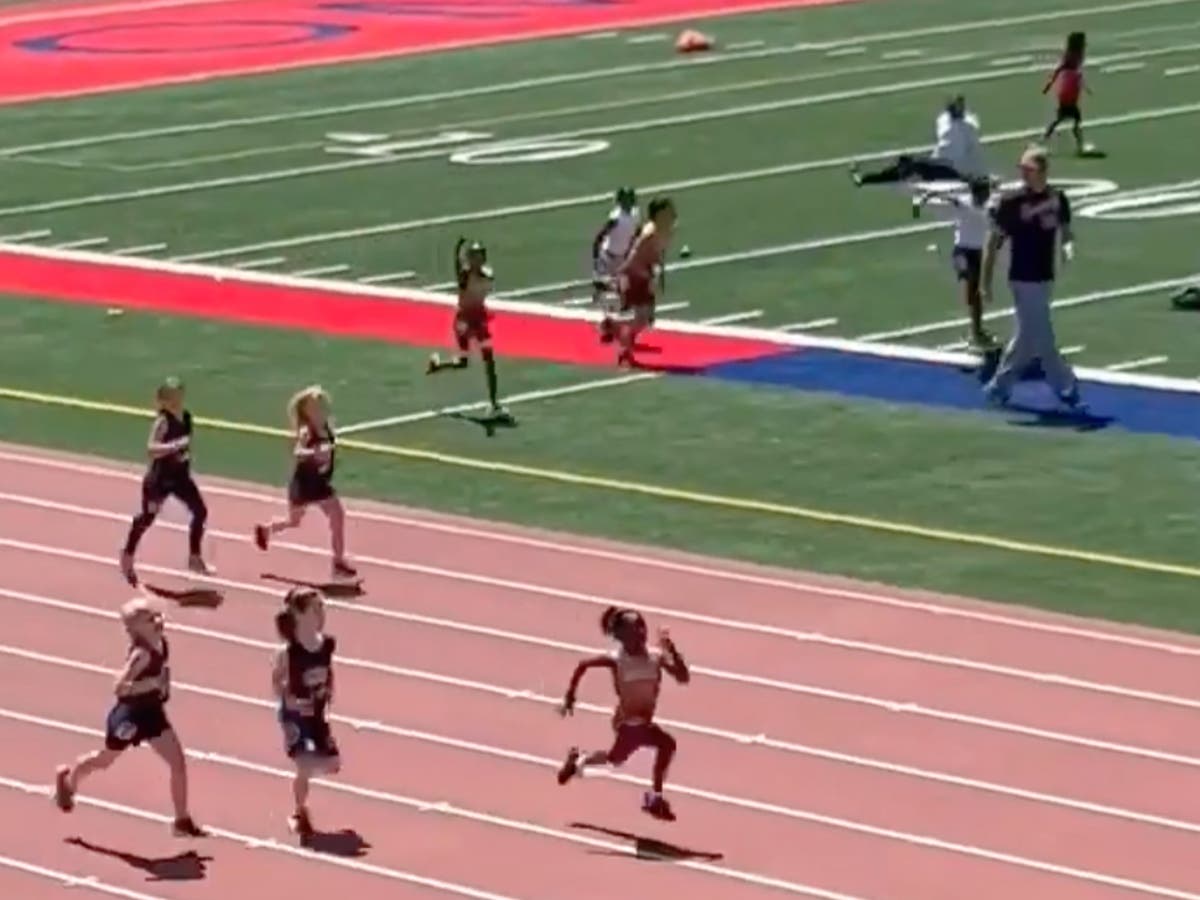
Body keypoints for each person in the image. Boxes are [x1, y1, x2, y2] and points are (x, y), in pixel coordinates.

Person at [54, 596, 204, 837]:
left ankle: (181, 820)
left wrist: (164, 685)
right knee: (104, 760)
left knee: (178, 763)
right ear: (136, 628)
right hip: (130, 716)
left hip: (152, 713)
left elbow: (163, 670)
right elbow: (119, 687)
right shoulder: (141, 655)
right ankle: (68, 783)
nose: (157, 620)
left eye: (155, 615)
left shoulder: (162, 643)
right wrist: (151, 684)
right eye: (149, 619)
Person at [556, 607, 689, 821]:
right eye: (634, 630)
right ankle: (654, 799)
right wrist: (570, 695)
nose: (641, 633)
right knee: (665, 744)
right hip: (628, 722)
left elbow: (683, 678)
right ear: (621, 637)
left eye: (642, 627)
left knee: (615, 759)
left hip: (641, 721)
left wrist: (672, 650)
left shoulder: (656, 657)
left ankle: (578, 763)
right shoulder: (617, 660)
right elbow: (583, 665)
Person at [980, 145, 1083, 409]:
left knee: (1026, 340)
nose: (1024, 175)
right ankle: (1066, 384)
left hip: (1045, 275)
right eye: (1022, 170)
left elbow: (1066, 230)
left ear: (1043, 171)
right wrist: (986, 280)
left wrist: (1067, 247)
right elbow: (993, 242)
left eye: (1030, 170)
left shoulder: (1058, 198)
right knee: (1044, 339)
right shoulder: (1012, 203)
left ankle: (998, 388)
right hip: (1023, 277)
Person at [253, 386, 358, 582]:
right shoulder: (306, 432)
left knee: (337, 515)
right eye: (314, 408)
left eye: (321, 406)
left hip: (321, 483)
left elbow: (330, 450)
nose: (319, 411)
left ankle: (338, 562)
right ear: (306, 411)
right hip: (305, 484)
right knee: (295, 521)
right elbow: (298, 452)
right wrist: (314, 453)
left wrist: (332, 456)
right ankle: (266, 530)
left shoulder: (327, 427)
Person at [120, 378, 210, 587]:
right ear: (165, 399)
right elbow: (151, 449)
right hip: (159, 479)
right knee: (147, 518)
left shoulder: (187, 417)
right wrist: (174, 446)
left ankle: (194, 557)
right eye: (173, 395)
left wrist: (183, 455)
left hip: (180, 477)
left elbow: (185, 446)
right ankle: (128, 553)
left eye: (179, 393)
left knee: (200, 511)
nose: (177, 398)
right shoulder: (163, 421)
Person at [271, 587, 341, 842]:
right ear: (299, 615)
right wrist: (290, 700)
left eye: (322, 607)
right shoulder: (288, 653)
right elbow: (276, 683)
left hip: (318, 712)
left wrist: (330, 690)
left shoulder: (326, 644)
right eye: (316, 608)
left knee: (333, 764)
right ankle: (299, 812)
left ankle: (302, 793)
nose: (322, 613)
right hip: (296, 716)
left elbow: (328, 670)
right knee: (304, 764)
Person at [426, 238, 511, 421]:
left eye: (479, 256)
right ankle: (439, 366)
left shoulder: (487, 274)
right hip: (464, 320)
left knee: (489, 360)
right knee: (463, 363)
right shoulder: (466, 275)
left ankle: (494, 403)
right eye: (473, 256)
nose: (476, 260)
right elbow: (461, 275)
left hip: (479, 319)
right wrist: (457, 251)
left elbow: (484, 286)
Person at [913, 177, 996, 351]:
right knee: (973, 288)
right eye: (985, 191)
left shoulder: (991, 207)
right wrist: (923, 198)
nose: (987, 194)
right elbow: (943, 197)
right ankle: (976, 332)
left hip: (979, 253)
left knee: (976, 294)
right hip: (963, 251)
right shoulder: (963, 203)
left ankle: (976, 330)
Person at [851, 95, 986, 188]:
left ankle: (866, 179)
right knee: (908, 167)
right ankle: (867, 179)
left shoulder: (960, 123)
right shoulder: (953, 122)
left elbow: (966, 143)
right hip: (942, 162)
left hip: (946, 164)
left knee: (908, 167)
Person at [615, 197, 677, 367]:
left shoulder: (666, 230)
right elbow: (636, 254)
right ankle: (623, 346)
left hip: (646, 272)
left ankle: (623, 336)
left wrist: (658, 273)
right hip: (637, 274)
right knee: (642, 317)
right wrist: (628, 272)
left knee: (647, 317)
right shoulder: (650, 232)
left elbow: (658, 255)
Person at [591, 187, 642, 343]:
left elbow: (636, 233)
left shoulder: (635, 215)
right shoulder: (616, 217)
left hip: (622, 258)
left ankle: (616, 327)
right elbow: (601, 235)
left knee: (623, 293)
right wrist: (595, 256)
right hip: (608, 256)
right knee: (605, 291)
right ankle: (607, 324)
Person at [1043, 32, 1089, 155]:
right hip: (1071, 89)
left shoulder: (1070, 56)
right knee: (1075, 119)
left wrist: (1049, 85)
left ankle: (1046, 138)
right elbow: (1073, 73)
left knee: (1062, 117)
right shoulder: (1075, 56)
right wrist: (1084, 86)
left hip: (1066, 89)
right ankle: (1079, 146)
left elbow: (1059, 70)